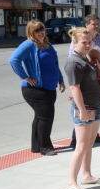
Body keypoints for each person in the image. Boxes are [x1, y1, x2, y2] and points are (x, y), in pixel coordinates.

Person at [9, 21, 65, 156]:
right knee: (46, 117)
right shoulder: (29, 44)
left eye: (42, 29)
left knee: (40, 117)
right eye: (36, 30)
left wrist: (60, 79)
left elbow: (54, 64)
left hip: (49, 88)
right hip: (35, 89)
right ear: (31, 32)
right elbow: (13, 60)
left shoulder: (47, 44)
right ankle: (45, 147)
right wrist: (25, 76)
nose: (40, 32)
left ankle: (36, 146)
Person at [64, 27, 100, 189]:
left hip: (94, 106)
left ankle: (87, 175)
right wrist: (81, 109)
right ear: (74, 42)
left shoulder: (85, 58)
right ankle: (71, 182)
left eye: (89, 42)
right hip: (84, 108)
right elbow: (74, 87)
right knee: (81, 146)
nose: (88, 45)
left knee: (89, 144)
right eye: (84, 42)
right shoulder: (73, 61)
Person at [68, 15, 100, 147]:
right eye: (94, 24)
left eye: (98, 24)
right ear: (87, 25)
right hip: (83, 82)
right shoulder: (78, 41)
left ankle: (94, 135)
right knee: (82, 108)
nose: (96, 26)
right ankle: (76, 139)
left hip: (99, 80)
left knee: (96, 106)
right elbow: (73, 59)